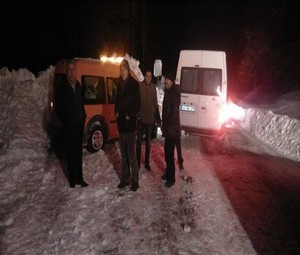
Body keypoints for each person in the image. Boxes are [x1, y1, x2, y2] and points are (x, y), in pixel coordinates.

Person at [55, 59, 88, 188]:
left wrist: (83, 117)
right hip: (69, 128)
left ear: (76, 71)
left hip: (79, 126)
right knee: (70, 154)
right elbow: (59, 109)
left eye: (73, 69)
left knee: (78, 154)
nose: (71, 72)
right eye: (69, 69)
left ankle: (80, 178)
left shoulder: (78, 86)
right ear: (67, 72)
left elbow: (81, 104)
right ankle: (72, 180)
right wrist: (66, 122)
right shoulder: (62, 88)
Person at [115, 59, 140, 191]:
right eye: (121, 69)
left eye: (124, 69)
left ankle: (135, 179)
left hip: (130, 125)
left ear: (128, 70)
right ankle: (125, 178)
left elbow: (137, 103)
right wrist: (116, 112)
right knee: (123, 155)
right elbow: (116, 101)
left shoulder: (134, 85)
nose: (122, 72)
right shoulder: (118, 83)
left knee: (131, 154)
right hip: (121, 124)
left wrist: (130, 114)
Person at [161, 73, 181, 187]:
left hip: (172, 130)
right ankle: (168, 173)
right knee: (167, 154)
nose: (166, 81)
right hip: (169, 129)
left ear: (172, 81)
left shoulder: (174, 93)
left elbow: (174, 113)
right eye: (165, 79)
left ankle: (171, 178)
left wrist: (167, 124)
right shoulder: (168, 91)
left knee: (169, 154)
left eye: (168, 79)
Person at [136, 69, 158, 171]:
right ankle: (137, 162)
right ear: (144, 76)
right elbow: (135, 101)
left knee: (148, 143)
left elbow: (155, 102)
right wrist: (137, 114)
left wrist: (156, 115)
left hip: (149, 119)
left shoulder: (153, 87)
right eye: (147, 76)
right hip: (141, 119)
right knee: (139, 141)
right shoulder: (139, 85)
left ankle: (147, 163)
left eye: (150, 76)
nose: (148, 78)